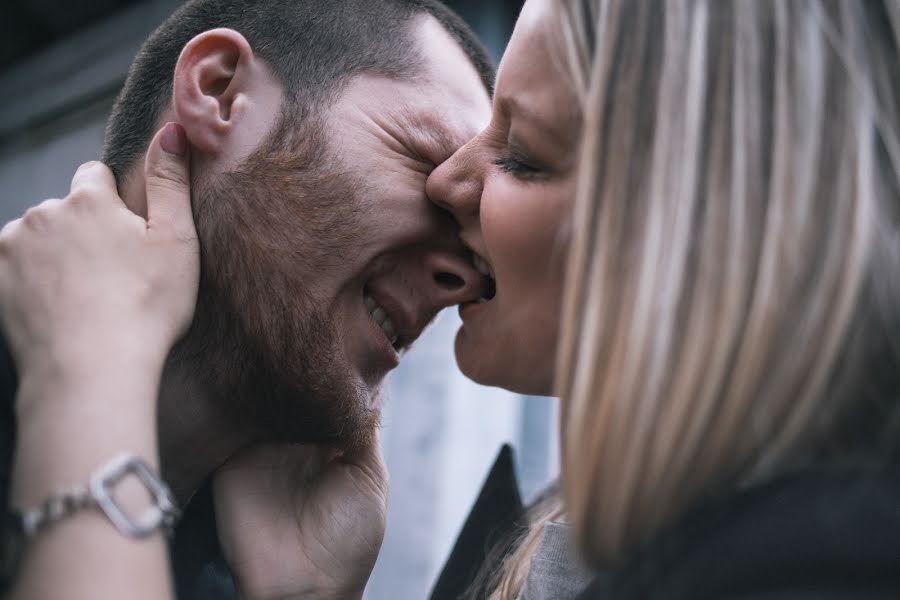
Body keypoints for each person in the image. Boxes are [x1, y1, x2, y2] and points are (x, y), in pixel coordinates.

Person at [3, 0, 900, 599]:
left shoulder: (810, 557)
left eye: (524, 156)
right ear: (220, 92)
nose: (470, 258)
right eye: (420, 155)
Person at [0, 0, 496, 598]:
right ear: (219, 92)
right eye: (430, 169)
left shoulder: (261, 569)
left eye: (476, 242)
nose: (470, 278)